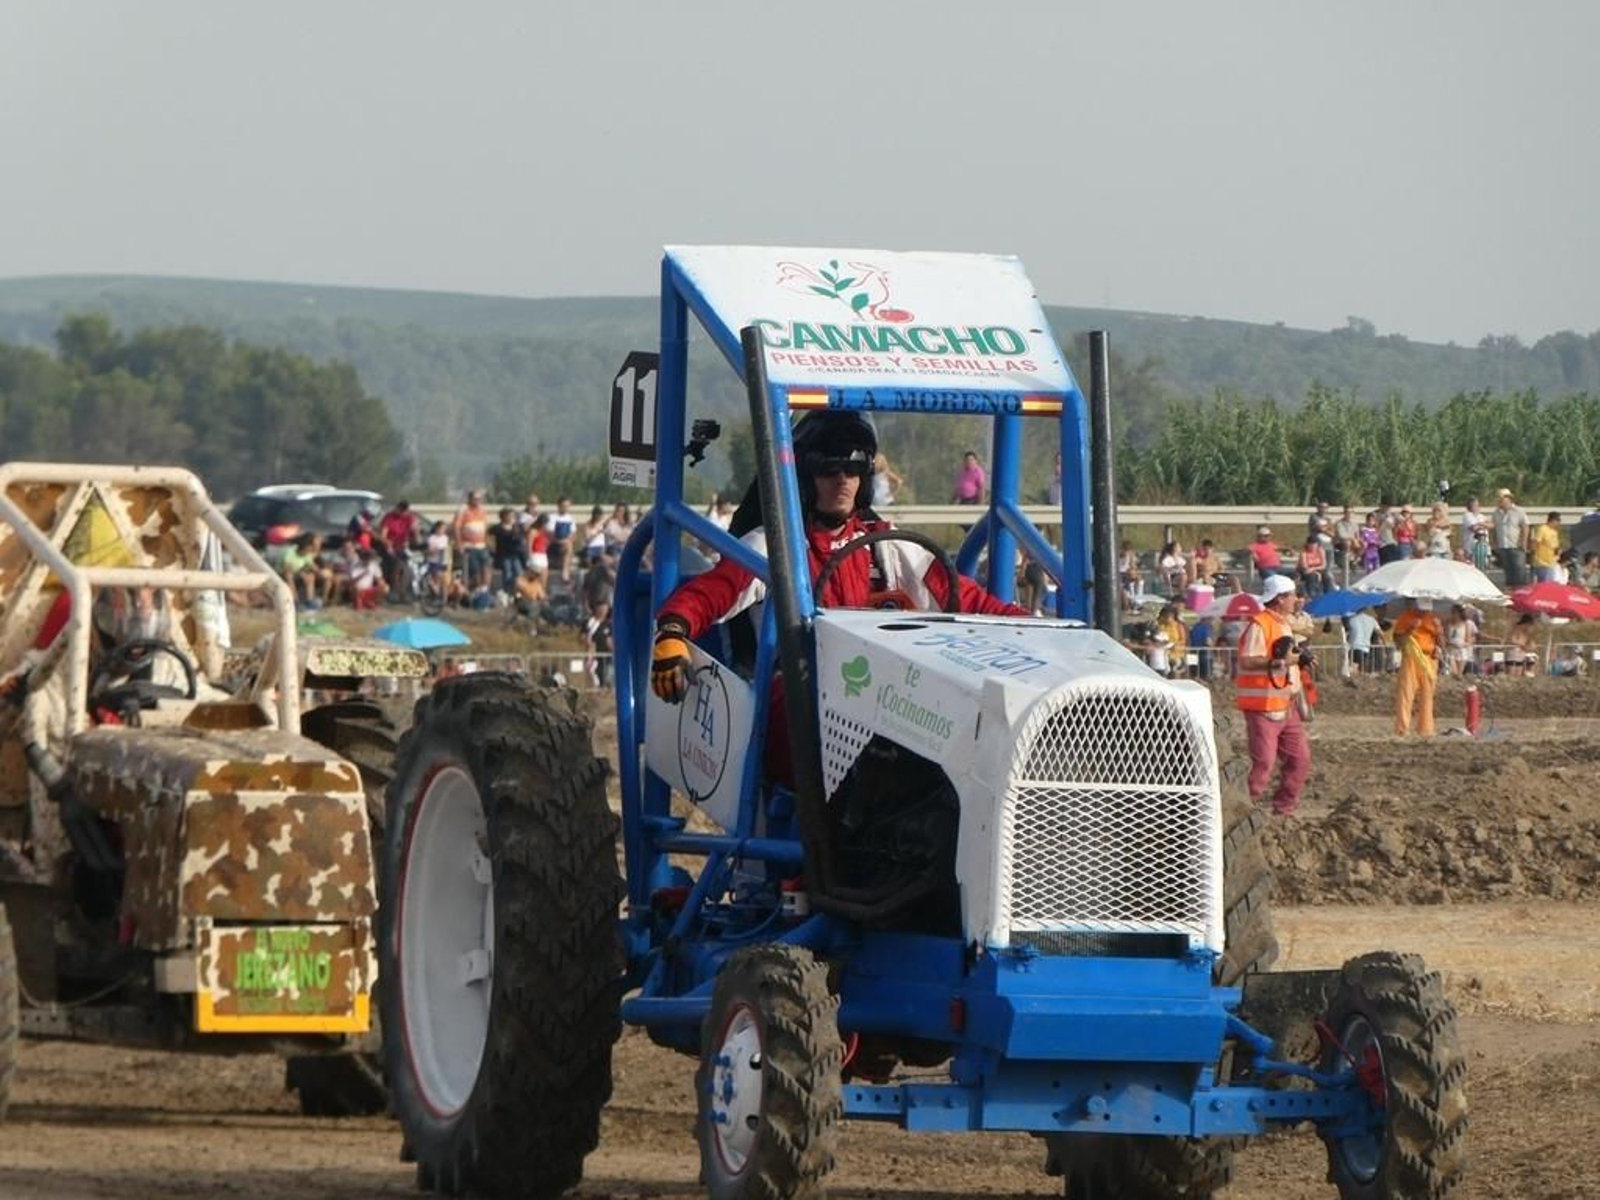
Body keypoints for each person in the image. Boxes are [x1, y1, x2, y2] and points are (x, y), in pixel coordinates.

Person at [650, 413, 1027, 774]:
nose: (842, 479)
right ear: (805, 475)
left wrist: (1040, 630)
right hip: (797, 706)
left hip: (889, 702)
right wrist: (672, 631)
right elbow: (712, 591)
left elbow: (970, 601)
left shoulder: (888, 543)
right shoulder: (773, 547)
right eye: (829, 468)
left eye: (855, 467)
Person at [1234, 574, 1310, 817]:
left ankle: (1283, 811)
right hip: (1263, 707)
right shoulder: (1260, 625)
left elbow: (1286, 660)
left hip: (1286, 705)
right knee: (1263, 765)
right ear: (1280, 598)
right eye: (1292, 595)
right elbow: (1248, 660)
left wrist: (1300, 660)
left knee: (1299, 760)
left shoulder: (1282, 624)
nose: (1296, 600)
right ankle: (1238, 811)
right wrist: (1280, 661)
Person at [1393, 598, 1443, 736]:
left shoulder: (1433, 619)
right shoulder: (1406, 617)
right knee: (1406, 693)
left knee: (1427, 695)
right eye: (1421, 609)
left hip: (1429, 658)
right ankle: (1402, 728)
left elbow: (1441, 642)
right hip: (1411, 657)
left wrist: (1439, 632)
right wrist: (1411, 628)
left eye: (1426, 609)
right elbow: (1398, 639)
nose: (1423, 612)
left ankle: (1425, 729)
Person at [453, 489, 491, 592]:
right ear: (470, 499)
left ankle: (485, 590)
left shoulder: (482, 510)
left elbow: (485, 527)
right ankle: (478, 590)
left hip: (482, 545)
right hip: (469, 545)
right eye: (475, 499)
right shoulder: (463, 510)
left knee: (486, 567)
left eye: (479, 499)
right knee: (475, 569)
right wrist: (459, 544)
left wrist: (488, 542)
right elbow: (456, 527)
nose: (478, 501)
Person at [1492, 488, 1530, 586]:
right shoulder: (1496, 513)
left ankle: (1520, 592)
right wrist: (1495, 543)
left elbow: (1525, 526)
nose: (1500, 501)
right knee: (1508, 572)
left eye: (1502, 499)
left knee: (1519, 572)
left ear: (1508, 499)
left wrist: (1523, 541)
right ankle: (1511, 592)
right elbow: (1494, 528)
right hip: (1503, 546)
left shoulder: (1519, 511)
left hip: (1516, 546)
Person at [1346, 604, 1380, 675]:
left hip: (1354, 648)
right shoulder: (1372, 620)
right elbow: (1380, 633)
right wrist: (1384, 645)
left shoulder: (1351, 619)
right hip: (1365, 649)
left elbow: (1347, 633)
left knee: (1353, 671)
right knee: (1361, 670)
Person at [549, 497, 577, 583]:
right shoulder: (552, 517)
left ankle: (565, 571)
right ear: (559, 506)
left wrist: (568, 540)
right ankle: (565, 573)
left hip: (565, 544)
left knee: (569, 545)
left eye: (567, 506)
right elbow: (550, 535)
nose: (565, 508)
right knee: (568, 546)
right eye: (564, 506)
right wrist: (560, 541)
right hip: (554, 545)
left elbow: (573, 535)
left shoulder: (570, 519)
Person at [1443, 604, 1476, 677]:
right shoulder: (1449, 624)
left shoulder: (1466, 624)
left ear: (1459, 613)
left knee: (1459, 674)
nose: (1453, 614)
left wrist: (1463, 645)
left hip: (1462, 650)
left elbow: (1468, 639)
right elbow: (1446, 638)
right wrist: (1449, 644)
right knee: (1453, 671)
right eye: (1452, 612)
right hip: (1451, 650)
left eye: (1455, 612)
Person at [1530, 511, 1563, 583]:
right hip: (1542, 562)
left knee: (1550, 584)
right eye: (1558, 521)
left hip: (1552, 562)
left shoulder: (1554, 532)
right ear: (1553, 520)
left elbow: (1555, 545)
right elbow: (1536, 542)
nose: (1559, 523)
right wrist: (1533, 556)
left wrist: (1558, 551)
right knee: (1544, 583)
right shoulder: (1542, 529)